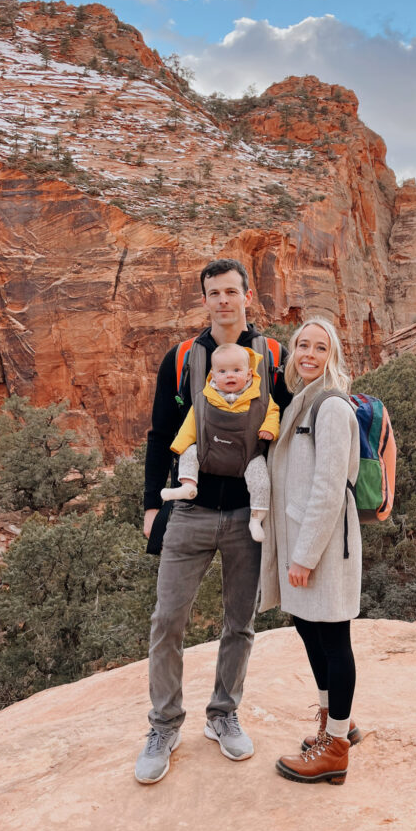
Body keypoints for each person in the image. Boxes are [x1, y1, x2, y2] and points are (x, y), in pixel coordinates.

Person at [135, 258, 291, 785]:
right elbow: (160, 433)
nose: (223, 300)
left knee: (240, 624)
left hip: (250, 512)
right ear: (204, 300)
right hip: (191, 510)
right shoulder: (180, 358)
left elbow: (291, 427)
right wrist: (151, 507)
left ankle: (223, 714)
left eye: (231, 291)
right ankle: (163, 724)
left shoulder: (272, 356)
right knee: (166, 621)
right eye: (213, 293)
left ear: (248, 296)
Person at [259, 318, 363, 786]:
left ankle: (336, 749)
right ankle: (334, 721)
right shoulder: (302, 400)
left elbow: (328, 489)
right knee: (308, 629)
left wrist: (303, 556)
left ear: (332, 355)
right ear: (292, 351)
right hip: (303, 541)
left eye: (320, 348)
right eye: (303, 345)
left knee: (333, 637)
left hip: (322, 546)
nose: (309, 354)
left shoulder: (332, 406)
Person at [161, 342, 280, 543]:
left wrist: (270, 429)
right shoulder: (205, 399)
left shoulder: (260, 398)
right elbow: (192, 423)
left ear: (249, 374)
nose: (230, 375)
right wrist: (179, 446)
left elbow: (273, 412)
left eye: (236, 370)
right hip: (210, 451)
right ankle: (188, 485)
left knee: (260, 479)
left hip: (247, 455)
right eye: (222, 371)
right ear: (213, 375)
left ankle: (256, 518)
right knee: (190, 453)